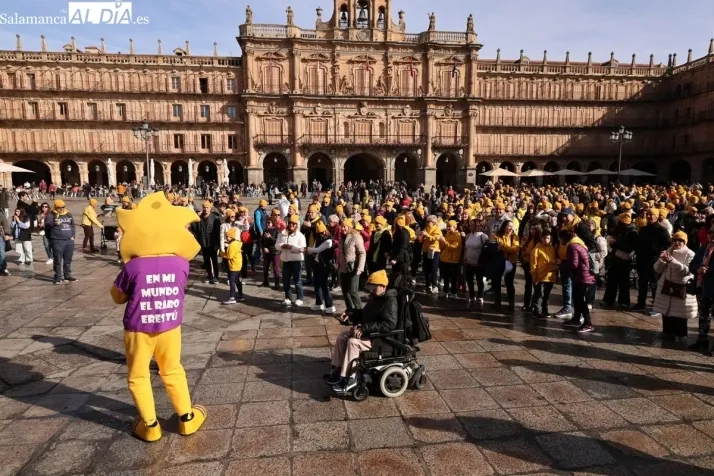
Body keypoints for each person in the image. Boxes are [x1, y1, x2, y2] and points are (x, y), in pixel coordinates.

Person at [328, 270, 398, 392]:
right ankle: (339, 369)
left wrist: (365, 328)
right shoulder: (376, 298)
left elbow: (389, 325)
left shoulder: (390, 301)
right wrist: (350, 314)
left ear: (383, 286)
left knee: (353, 342)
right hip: (369, 333)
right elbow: (364, 314)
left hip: (379, 339)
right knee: (342, 337)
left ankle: (350, 377)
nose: (371, 291)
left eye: (373, 288)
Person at [652, 231, 696, 343]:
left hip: (680, 286)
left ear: (685, 242)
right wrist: (662, 260)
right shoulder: (668, 251)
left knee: (680, 313)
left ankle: (681, 335)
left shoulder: (690, 254)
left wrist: (672, 261)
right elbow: (657, 269)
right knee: (666, 311)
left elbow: (686, 271)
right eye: (675, 240)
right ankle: (667, 332)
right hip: (666, 284)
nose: (677, 243)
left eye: (680, 240)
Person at [632, 208, 672, 312]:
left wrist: (656, 250)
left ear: (657, 216)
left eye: (651, 214)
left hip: (654, 260)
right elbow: (638, 242)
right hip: (641, 259)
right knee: (642, 282)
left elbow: (667, 245)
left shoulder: (662, 230)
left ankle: (656, 304)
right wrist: (637, 250)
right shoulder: (643, 229)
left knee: (654, 283)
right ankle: (641, 303)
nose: (649, 216)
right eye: (648, 214)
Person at [561, 229, 596, 332]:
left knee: (580, 299)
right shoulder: (577, 243)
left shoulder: (572, 246)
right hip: (581, 275)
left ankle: (588, 323)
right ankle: (576, 318)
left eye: (560, 238)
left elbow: (574, 264)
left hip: (582, 276)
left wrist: (562, 264)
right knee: (577, 298)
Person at [602, 213, 638, 309]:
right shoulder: (617, 230)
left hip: (624, 258)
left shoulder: (632, 232)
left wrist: (616, 244)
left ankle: (624, 301)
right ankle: (609, 300)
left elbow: (630, 246)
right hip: (614, 257)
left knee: (624, 281)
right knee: (612, 280)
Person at [690, 226, 714, 354]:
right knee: (703, 315)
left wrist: (708, 270)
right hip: (702, 287)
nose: (712, 235)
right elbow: (692, 264)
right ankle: (702, 340)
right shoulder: (703, 249)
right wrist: (698, 268)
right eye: (710, 232)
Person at [305, 221, 336, 314]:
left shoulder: (329, 241)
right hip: (317, 263)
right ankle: (319, 303)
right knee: (317, 284)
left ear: (325, 231)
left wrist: (307, 249)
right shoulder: (318, 238)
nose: (321, 234)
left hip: (325, 265)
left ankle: (330, 306)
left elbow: (318, 249)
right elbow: (314, 249)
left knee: (324, 285)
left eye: (322, 232)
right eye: (319, 233)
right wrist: (306, 250)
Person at [44, 199, 77, 285]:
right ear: (55, 207)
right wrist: (54, 223)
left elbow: (72, 225)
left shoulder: (68, 214)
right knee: (58, 260)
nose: (61, 209)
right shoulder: (51, 215)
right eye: (59, 207)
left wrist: (73, 235)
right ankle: (58, 277)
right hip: (57, 241)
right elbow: (47, 225)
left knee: (68, 259)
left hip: (69, 240)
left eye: (63, 207)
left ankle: (67, 275)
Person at [276, 215, 306, 306]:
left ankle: (300, 298)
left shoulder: (300, 236)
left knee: (297, 280)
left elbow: (302, 249)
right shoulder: (282, 234)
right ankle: (288, 297)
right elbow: (276, 245)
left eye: (294, 224)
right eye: (290, 223)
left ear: (296, 225)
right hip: (285, 260)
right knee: (285, 280)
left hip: (296, 261)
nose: (291, 225)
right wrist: (281, 246)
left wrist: (291, 247)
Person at [338, 218, 366, 311]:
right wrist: (338, 263)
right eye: (342, 227)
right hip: (343, 268)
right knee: (345, 291)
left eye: (344, 226)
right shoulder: (342, 237)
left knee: (353, 291)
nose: (343, 228)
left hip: (353, 267)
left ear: (349, 227)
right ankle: (350, 311)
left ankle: (359, 311)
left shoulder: (356, 237)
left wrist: (360, 268)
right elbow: (340, 253)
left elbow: (362, 253)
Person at [530, 229, 557, 320]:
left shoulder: (552, 248)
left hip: (550, 276)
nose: (546, 240)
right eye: (544, 238)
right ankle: (536, 310)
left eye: (548, 238)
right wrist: (534, 275)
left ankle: (545, 310)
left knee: (546, 295)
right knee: (539, 294)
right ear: (541, 238)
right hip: (540, 276)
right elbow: (533, 264)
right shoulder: (537, 249)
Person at [494, 220, 520, 310]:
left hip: (511, 262)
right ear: (504, 226)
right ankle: (497, 301)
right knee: (496, 282)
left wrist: (503, 246)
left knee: (509, 282)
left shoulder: (515, 237)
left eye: (512, 226)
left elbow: (515, 250)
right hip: (499, 261)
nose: (511, 228)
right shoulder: (497, 236)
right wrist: (504, 248)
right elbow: (494, 247)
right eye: (509, 226)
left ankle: (511, 302)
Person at [464, 215, 488, 306]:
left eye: (472, 225)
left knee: (479, 280)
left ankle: (480, 296)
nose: (470, 226)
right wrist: (465, 258)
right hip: (469, 261)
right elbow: (466, 248)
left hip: (479, 263)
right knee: (469, 279)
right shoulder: (468, 236)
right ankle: (471, 295)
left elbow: (486, 249)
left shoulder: (483, 236)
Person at [196, 201, 221, 284]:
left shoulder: (215, 218)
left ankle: (216, 277)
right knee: (206, 261)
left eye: (207, 207)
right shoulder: (200, 218)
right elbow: (197, 230)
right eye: (204, 207)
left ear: (210, 208)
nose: (205, 209)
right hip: (204, 243)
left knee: (214, 261)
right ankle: (209, 275)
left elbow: (218, 232)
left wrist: (217, 244)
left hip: (212, 243)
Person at [520, 222, 542, 312]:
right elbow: (524, 250)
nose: (532, 231)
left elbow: (536, 253)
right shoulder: (528, 239)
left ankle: (535, 305)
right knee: (528, 285)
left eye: (534, 229)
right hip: (527, 263)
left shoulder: (540, 241)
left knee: (536, 286)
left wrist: (528, 252)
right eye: (531, 229)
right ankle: (526, 304)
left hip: (536, 266)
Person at [439, 220, 462, 299]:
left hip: (453, 260)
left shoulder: (457, 236)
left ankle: (453, 293)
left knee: (453, 278)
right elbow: (443, 247)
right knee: (445, 277)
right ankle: (445, 291)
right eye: (447, 226)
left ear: (455, 227)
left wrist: (444, 241)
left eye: (450, 226)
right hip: (445, 259)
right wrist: (441, 241)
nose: (448, 228)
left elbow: (454, 247)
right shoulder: (447, 234)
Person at [420, 215, 442, 294]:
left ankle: (435, 286)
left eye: (429, 221)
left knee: (433, 269)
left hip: (434, 251)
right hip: (426, 250)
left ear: (434, 222)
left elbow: (435, 239)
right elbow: (420, 240)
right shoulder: (426, 228)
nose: (427, 223)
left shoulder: (437, 229)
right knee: (426, 269)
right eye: (427, 221)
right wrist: (422, 236)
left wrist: (427, 235)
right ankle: (428, 285)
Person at [221, 228, 244, 304]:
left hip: (233, 266)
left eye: (228, 236)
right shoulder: (237, 243)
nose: (226, 238)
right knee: (237, 280)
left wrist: (222, 254)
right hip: (238, 265)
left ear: (232, 236)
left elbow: (229, 256)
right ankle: (240, 295)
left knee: (232, 281)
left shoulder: (232, 245)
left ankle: (232, 297)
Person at [260, 210, 282, 289]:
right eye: (266, 223)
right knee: (265, 267)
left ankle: (277, 283)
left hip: (275, 251)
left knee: (276, 268)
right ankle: (265, 281)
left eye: (269, 223)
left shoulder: (276, 230)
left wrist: (270, 237)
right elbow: (262, 241)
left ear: (272, 223)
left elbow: (277, 241)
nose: (267, 224)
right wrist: (263, 248)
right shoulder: (265, 230)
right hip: (267, 251)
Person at [0, 209, 11, 276]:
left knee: (2, 253)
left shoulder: (1, 215)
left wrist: (7, 234)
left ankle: (3, 268)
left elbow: (5, 224)